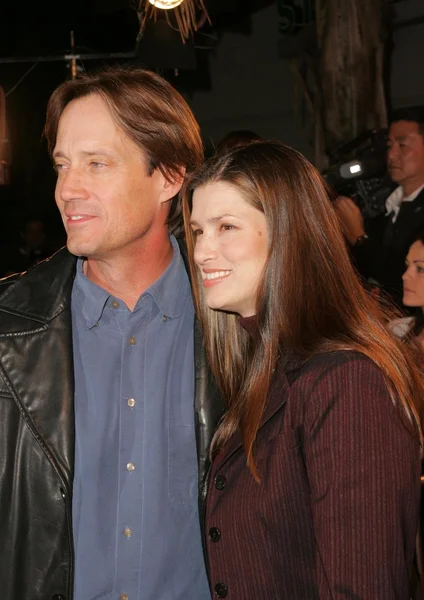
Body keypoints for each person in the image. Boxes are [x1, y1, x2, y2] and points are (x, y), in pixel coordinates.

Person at [0, 68, 222, 600]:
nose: (66, 190)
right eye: (62, 166)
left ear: (168, 177)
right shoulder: (9, 329)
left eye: (96, 165)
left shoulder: (242, 324)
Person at [182, 140, 424, 599]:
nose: (200, 252)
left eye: (226, 226)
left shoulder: (346, 382)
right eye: (197, 230)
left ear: (288, 233)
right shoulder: (259, 368)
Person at [335, 106, 424, 308]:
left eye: (403, 145)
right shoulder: (383, 202)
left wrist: (359, 237)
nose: (392, 155)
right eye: (389, 145)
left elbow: (400, 277)